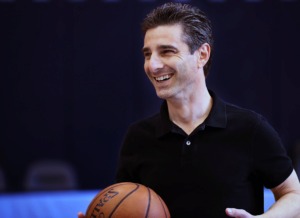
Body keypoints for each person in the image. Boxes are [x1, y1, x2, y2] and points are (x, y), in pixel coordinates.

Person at [78, 3, 300, 218]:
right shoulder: (138, 137)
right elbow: (125, 209)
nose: (152, 65)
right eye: (147, 54)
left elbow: (295, 195)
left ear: (202, 55)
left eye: (167, 51)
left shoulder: (250, 128)